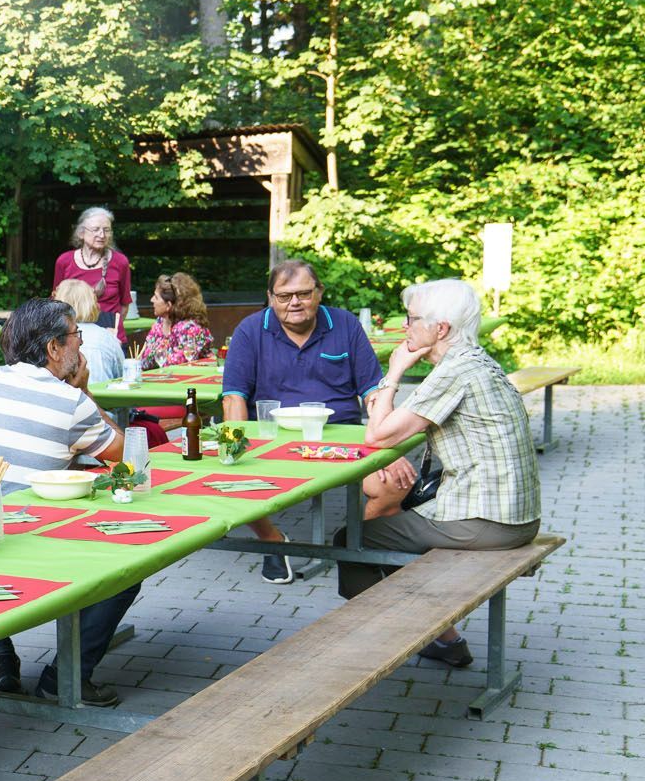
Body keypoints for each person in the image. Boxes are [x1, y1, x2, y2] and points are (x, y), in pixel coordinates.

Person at [0, 298, 134, 707]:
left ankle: (0, 656)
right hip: (28, 555)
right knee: (128, 569)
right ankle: (65, 677)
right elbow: (127, 456)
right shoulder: (69, 401)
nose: (81, 345)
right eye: (76, 335)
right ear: (54, 348)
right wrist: (84, 391)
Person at [340, 279, 541, 668]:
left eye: (412, 319)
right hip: (514, 517)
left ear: (441, 328)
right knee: (389, 522)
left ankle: (385, 637)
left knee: (353, 538)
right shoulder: (476, 361)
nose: (405, 327)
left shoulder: (455, 372)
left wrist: (394, 371)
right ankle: (442, 638)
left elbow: (377, 436)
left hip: (487, 523)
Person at [220, 257, 393, 583]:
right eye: (284, 296)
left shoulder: (345, 324)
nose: (294, 303)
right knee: (232, 480)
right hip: (271, 438)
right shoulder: (250, 330)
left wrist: (386, 445)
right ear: (270, 297)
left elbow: (374, 391)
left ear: (319, 292)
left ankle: (356, 551)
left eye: (303, 293)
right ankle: (273, 541)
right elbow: (234, 397)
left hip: (340, 438)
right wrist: (233, 449)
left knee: (391, 485)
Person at [51, 206, 132, 338]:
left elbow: (124, 305)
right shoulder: (64, 261)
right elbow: (56, 301)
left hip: (110, 335)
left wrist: (110, 333)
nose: (102, 235)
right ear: (81, 233)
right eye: (96, 229)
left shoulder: (120, 262)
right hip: (73, 336)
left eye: (106, 230)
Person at [138, 272, 217, 368]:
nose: (152, 300)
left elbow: (178, 362)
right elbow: (144, 358)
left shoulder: (191, 328)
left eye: (156, 297)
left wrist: (153, 358)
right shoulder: (160, 323)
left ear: (168, 305)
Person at [54, 278, 124, 384]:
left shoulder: (51, 337)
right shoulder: (106, 336)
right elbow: (121, 375)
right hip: (101, 393)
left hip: (65, 393)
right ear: (92, 303)